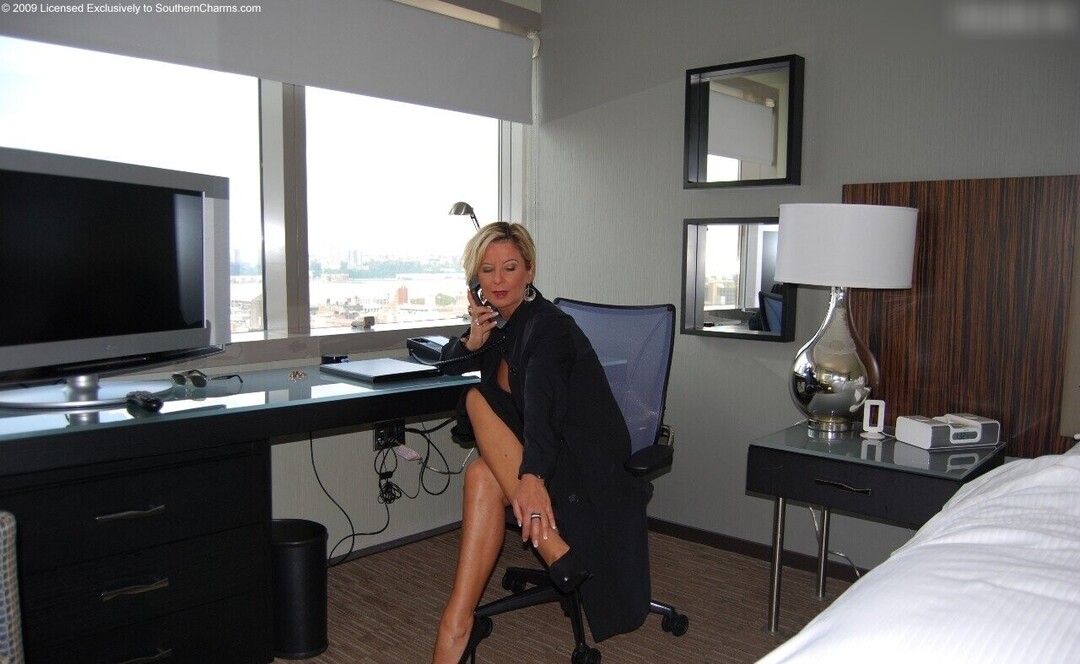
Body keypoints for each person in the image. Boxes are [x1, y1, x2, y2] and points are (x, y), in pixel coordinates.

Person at [431, 222, 653, 664]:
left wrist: (532, 476)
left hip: (583, 461)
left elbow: (543, 408)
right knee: (481, 472)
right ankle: (459, 620)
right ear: (475, 281)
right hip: (543, 447)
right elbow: (446, 367)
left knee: (474, 401)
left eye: (510, 268)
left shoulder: (549, 328)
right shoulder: (501, 327)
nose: (498, 280)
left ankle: (463, 621)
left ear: (529, 271)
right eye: (487, 270)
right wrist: (473, 340)